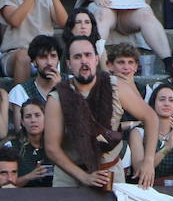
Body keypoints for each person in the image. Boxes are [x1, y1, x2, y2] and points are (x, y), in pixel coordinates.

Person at [44, 36, 159, 188]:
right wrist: (84, 177)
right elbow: (52, 148)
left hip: (109, 172)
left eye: (88, 55)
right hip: (70, 176)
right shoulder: (57, 97)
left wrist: (149, 161)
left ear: (96, 60)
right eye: (77, 57)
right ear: (69, 64)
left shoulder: (117, 87)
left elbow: (150, 117)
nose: (84, 61)